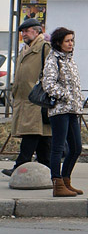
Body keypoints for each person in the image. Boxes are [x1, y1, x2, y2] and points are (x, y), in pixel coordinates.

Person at [2, 18, 52, 177]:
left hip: (37, 98)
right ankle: (49, 168)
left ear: (37, 31)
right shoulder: (25, 48)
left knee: (32, 133)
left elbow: (51, 71)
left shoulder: (44, 47)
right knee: (42, 135)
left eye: (27, 31)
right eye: (22, 31)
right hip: (24, 99)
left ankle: (20, 165)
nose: (23, 34)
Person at [42, 27, 85, 198]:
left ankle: (66, 180)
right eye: (67, 41)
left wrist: (77, 98)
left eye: (72, 40)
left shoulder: (69, 60)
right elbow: (49, 84)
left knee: (76, 148)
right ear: (58, 42)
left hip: (72, 109)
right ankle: (57, 183)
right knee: (58, 148)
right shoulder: (53, 59)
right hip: (59, 110)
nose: (70, 44)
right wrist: (66, 96)